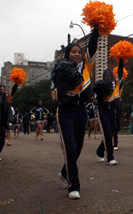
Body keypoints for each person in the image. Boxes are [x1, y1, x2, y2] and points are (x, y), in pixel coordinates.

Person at [51, 27, 100, 200]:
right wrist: (64, 85)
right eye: (73, 52)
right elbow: (54, 94)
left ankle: (65, 172)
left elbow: (93, 47)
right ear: (67, 54)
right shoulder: (59, 69)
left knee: (78, 147)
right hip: (65, 110)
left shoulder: (86, 67)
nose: (77, 54)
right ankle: (74, 185)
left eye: (79, 52)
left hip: (81, 110)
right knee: (70, 147)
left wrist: (96, 27)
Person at [96, 63, 124, 159]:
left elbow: (120, 75)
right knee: (107, 132)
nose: (108, 77)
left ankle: (100, 150)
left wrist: (121, 61)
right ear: (104, 77)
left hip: (112, 111)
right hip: (103, 111)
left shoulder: (115, 85)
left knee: (111, 133)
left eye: (110, 76)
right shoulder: (100, 84)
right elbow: (96, 100)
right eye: (106, 76)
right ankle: (110, 156)